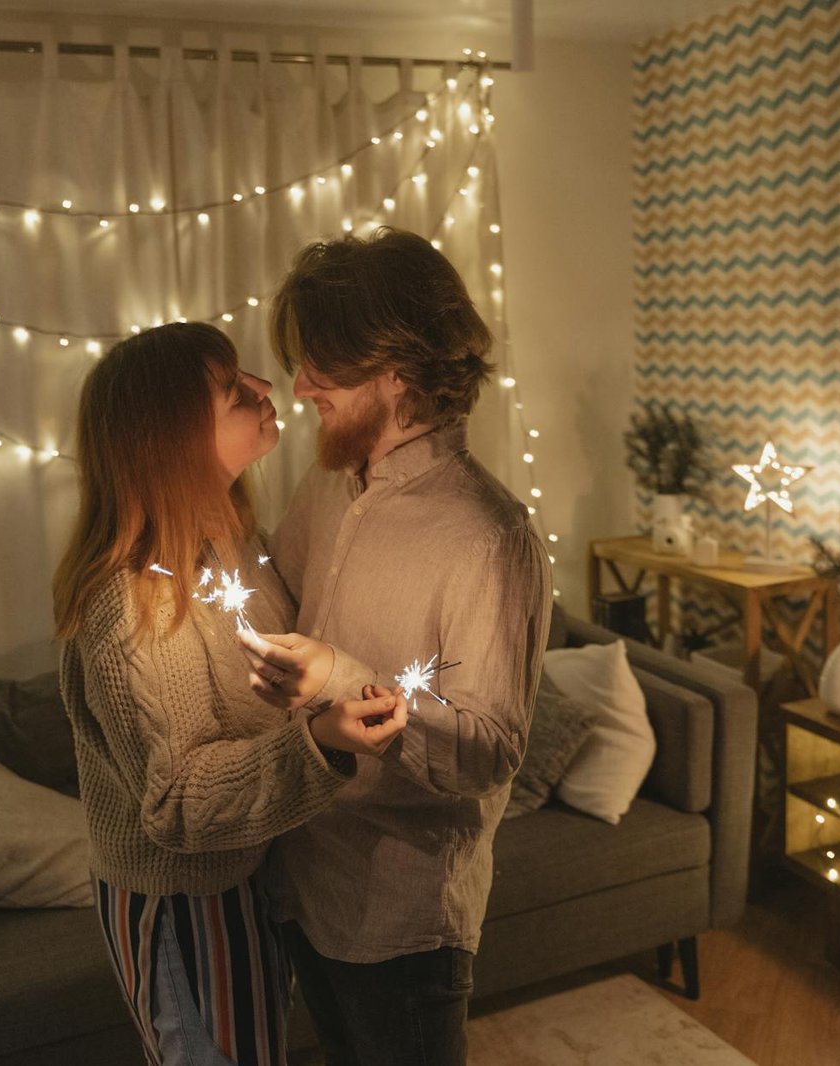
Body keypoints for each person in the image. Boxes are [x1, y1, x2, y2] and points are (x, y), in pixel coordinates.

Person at [52, 322, 408, 1066]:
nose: (264, 389)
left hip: (248, 877)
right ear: (173, 434)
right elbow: (177, 802)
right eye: (231, 390)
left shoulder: (233, 541)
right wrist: (320, 743)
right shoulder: (134, 605)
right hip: (185, 906)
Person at [239, 228, 553, 1066]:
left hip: (400, 919)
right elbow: (281, 597)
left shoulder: (488, 537)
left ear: (399, 371)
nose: (301, 386)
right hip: (304, 879)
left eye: (325, 366)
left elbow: (489, 751)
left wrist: (344, 678)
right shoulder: (333, 481)